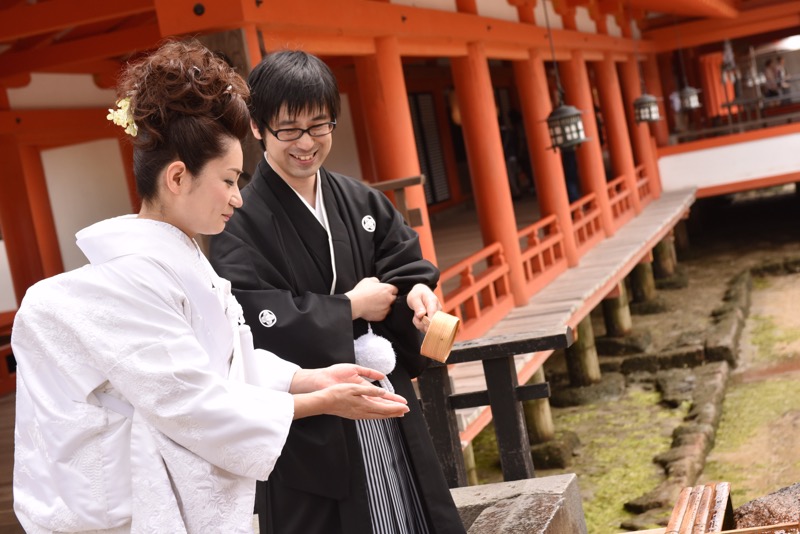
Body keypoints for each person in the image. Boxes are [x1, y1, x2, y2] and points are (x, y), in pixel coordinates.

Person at [11, 40, 411, 534]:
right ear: (178, 177)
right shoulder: (130, 283)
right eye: (228, 180)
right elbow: (193, 402)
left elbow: (229, 364)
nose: (238, 199)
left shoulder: (186, 265)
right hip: (132, 512)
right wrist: (321, 402)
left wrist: (311, 378)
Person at [209, 50, 467, 534]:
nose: (306, 143)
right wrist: (348, 308)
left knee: (406, 506)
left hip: (378, 392)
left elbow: (403, 261)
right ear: (259, 128)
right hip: (309, 410)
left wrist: (416, 294)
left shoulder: (360, 198)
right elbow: (247, 311)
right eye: (289, 129)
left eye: (319, 126)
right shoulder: (238, 218)